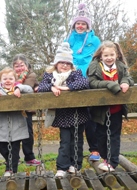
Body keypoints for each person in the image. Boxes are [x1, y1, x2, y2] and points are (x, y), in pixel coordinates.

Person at [38, 42, 89, 178]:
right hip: (63, 116)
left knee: (77, 140)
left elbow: (84, 83)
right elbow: (41, 87)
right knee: (65, 141)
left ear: (71, 65)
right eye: (62, 62)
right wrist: (52, 87)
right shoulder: (50, 76)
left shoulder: (75, 74)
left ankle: (75, 165)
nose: (65, 65)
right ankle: (62, 167)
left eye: (67, 63)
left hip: (78, 114)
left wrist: (68, 88)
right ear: (56, 64)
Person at [87, 41, 134, 172]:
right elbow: (92, 82)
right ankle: (105, 158)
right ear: (100, 56)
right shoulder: (95, 67)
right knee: (101, 136)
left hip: (116, 109)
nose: (109, 58)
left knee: (114, 135)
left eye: (112, 55)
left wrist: (124, 82)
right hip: (100, 109)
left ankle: (112, 162)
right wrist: (109, 84)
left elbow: (129, 78)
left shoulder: (120, 67)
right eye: (106, 55)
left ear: (117, 54)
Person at [65, 3, 101, 161]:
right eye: (78, 23)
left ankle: (95, 149)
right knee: (73, 118)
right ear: (74, 25)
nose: (80, 26)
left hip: (88, 80)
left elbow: (98, 59)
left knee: (90, 118)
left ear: (88, 25)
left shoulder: (95, 40)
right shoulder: (68, 39)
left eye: (83, 23)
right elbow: (63, 60)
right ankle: (72, 154)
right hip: (71, 81)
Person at [0, 67, 33, 177]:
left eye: (10, 78)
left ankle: (11, 170)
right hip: (3, 125)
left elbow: (29, 89)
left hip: (17, 125)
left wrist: (18, 88)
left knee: (14, 149)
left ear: (14, 80)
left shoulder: (18, 88)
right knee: (1, 147)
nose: (7, 81)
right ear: (0, 80)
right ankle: (13, 160)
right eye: (4, 78)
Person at [12, 54, 41, 166]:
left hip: (26, 109)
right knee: (14, 134)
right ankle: (14, 157)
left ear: (26, 65)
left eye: (21, 65)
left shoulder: (30, 75)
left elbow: (27, 88)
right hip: (14, 109)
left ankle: (29, 156)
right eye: (16, 65)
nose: (19, 67)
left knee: (27, 133)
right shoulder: (10, 76)